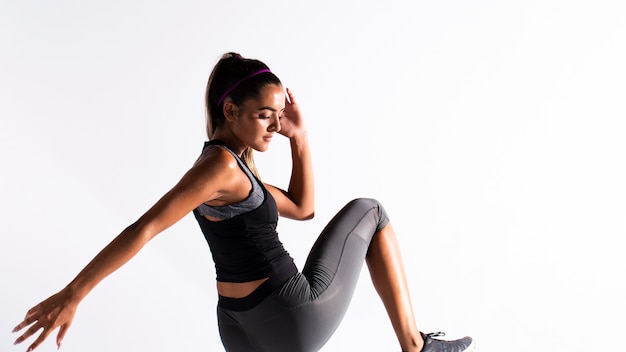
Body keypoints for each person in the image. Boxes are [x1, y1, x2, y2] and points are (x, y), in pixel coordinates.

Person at [12, 52, 475, 352]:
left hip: (238, 329)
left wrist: (300, 137)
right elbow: (146, 228)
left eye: (278, 117)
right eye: (264, 116)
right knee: (370, 210)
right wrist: (73, 294)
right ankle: (416, 347)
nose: (274, 126)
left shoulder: (230, 168)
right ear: (230, 109)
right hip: (290, 315)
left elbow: (302, 207)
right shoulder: (222, 169)